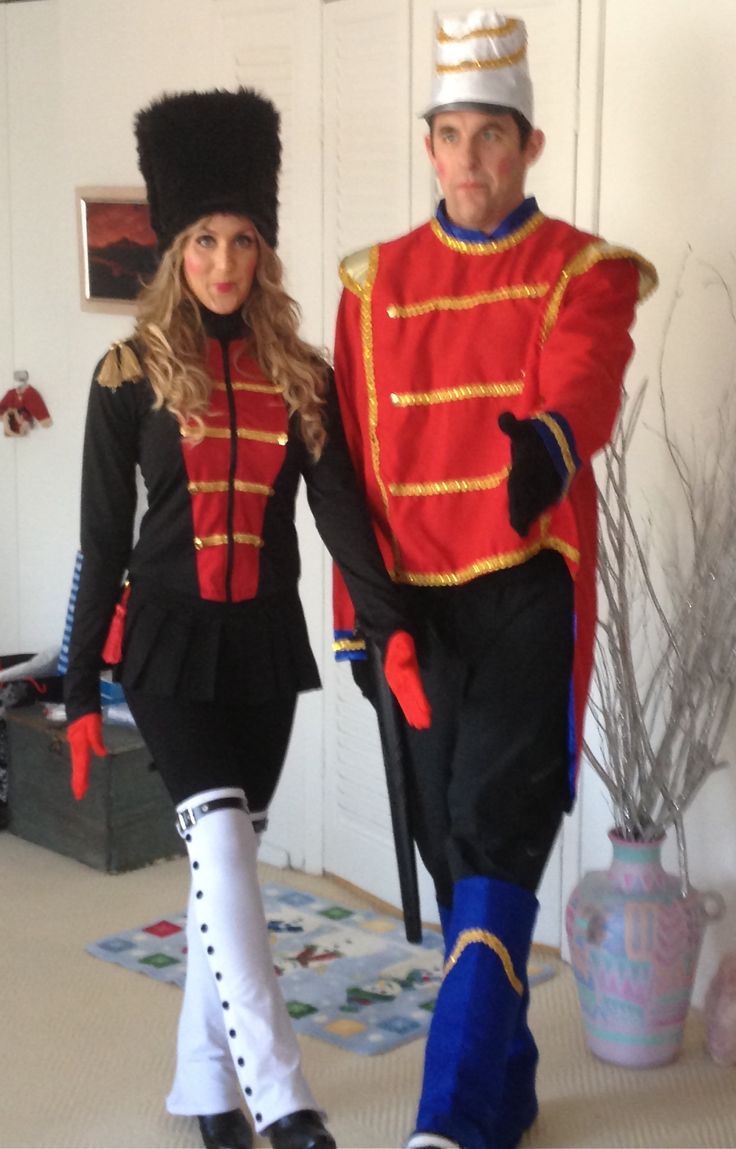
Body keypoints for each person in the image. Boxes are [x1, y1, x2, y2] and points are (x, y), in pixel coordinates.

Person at [63, 87, 430, 1149]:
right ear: (176, 248)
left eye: (245, 241)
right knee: (224, 855)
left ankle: (204, 1091)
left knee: (222, 876)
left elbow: (344, 519)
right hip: (169, 646)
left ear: (264, 252)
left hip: (265, 652)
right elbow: (100, 542)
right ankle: (281, 1096)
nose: (225, 261)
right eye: (205, 240)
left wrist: (393, 629)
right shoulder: (126, 373)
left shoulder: (300, 376)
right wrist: (83, 687)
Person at [330, 11, 658, 1149]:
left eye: (493, 138)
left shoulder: (582, 268)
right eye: (451, 136)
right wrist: (359, 621)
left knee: (497, 830)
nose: (470, 162)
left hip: (524, 584)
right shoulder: (371, 285)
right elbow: (354, 462)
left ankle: (451, 1119)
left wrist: (547, 445)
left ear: (530, 145)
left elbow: (585, 372)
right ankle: (508, 1087)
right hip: (410, 610)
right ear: (429, 146)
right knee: (447, 843)